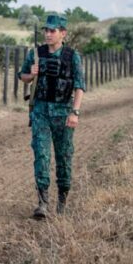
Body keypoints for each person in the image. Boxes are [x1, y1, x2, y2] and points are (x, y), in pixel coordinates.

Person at [18, 15, 85, 218]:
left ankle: (62, 201)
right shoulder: (36, 54)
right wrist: (31, 73)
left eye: (52, 30)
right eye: (46, 30)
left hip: (64, 114)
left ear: (62, 33)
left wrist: (75, 112)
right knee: (41, 155)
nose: (48, 34)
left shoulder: (72, 56)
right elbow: (23, 77)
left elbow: (79, 86)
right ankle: (43, 203)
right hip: (41, 112)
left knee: (64, 157)